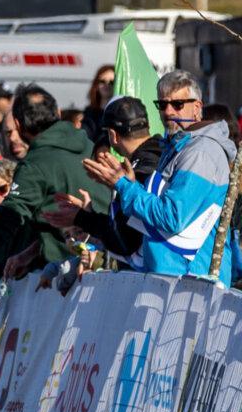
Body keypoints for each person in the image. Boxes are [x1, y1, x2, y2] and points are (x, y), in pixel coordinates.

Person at [0, 84, 111, 320]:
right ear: (58, 112)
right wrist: (30, 252)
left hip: (75, 283)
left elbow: (3, 225)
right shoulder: (88, 145)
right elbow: (56, 218)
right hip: (107, 263)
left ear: (17, 124)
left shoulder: (35, 165)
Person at [83, 70, 235, 279]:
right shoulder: (177, 146)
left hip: (189, 278)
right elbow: (157, 210)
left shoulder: (200, 152)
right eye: (162, 105)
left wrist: (124, 186)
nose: (168, 112)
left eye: (178, 104)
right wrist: (131, 184)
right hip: (169, 276)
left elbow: (171, 217)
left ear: (197, 107)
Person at [44, 96, 160, 267]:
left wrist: (82, 218)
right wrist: (87, 215)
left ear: (113, 135)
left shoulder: (139, 170)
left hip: (151, 272)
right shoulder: (163, 154)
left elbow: (123, 240)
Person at [81, 64, 115, 143]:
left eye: (112, 82)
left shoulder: (121, 114)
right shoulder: (89, 114)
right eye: (102, 81)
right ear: (96, 84)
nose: (107, 85)